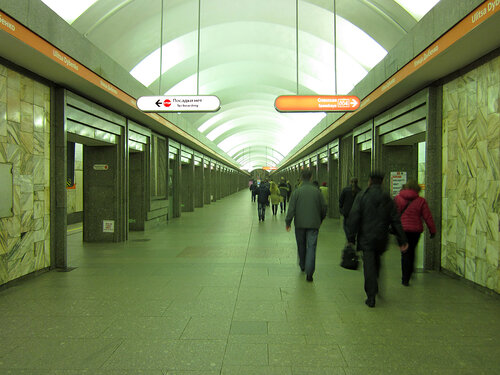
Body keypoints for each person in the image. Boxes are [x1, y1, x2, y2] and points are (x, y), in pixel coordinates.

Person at [346, 171, 408, 308]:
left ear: (369, 181)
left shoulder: (362, 196)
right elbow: (395, 219)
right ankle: (376, 284)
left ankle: (371, 296)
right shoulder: (387, 198)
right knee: (377, 261)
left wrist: (351, 237)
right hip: (381, 237)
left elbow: (354, 217)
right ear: (382, 181)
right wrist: (402, 239)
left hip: (366, 237)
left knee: (369, 266)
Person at [285, 169, 328, 282]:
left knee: (301, 245)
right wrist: (320, 219)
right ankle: (310, 273)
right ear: (311, 177)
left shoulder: (297, 192)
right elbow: (324, 207)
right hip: (314, 224)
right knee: (312, 247)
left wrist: (288, 222)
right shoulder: (317, 192)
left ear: (301, 178)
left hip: (299, 225)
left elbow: (291, 209)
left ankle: (303, 265)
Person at [394, 180, 436, 286]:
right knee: (411, 251)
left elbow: (393, 214)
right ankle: (410, 271)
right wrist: (432, 230)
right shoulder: (421, 201)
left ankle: (405, 278)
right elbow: (428, 217)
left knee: (404, 253)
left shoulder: (398, 199)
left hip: (401, 230)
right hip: (415, 231)